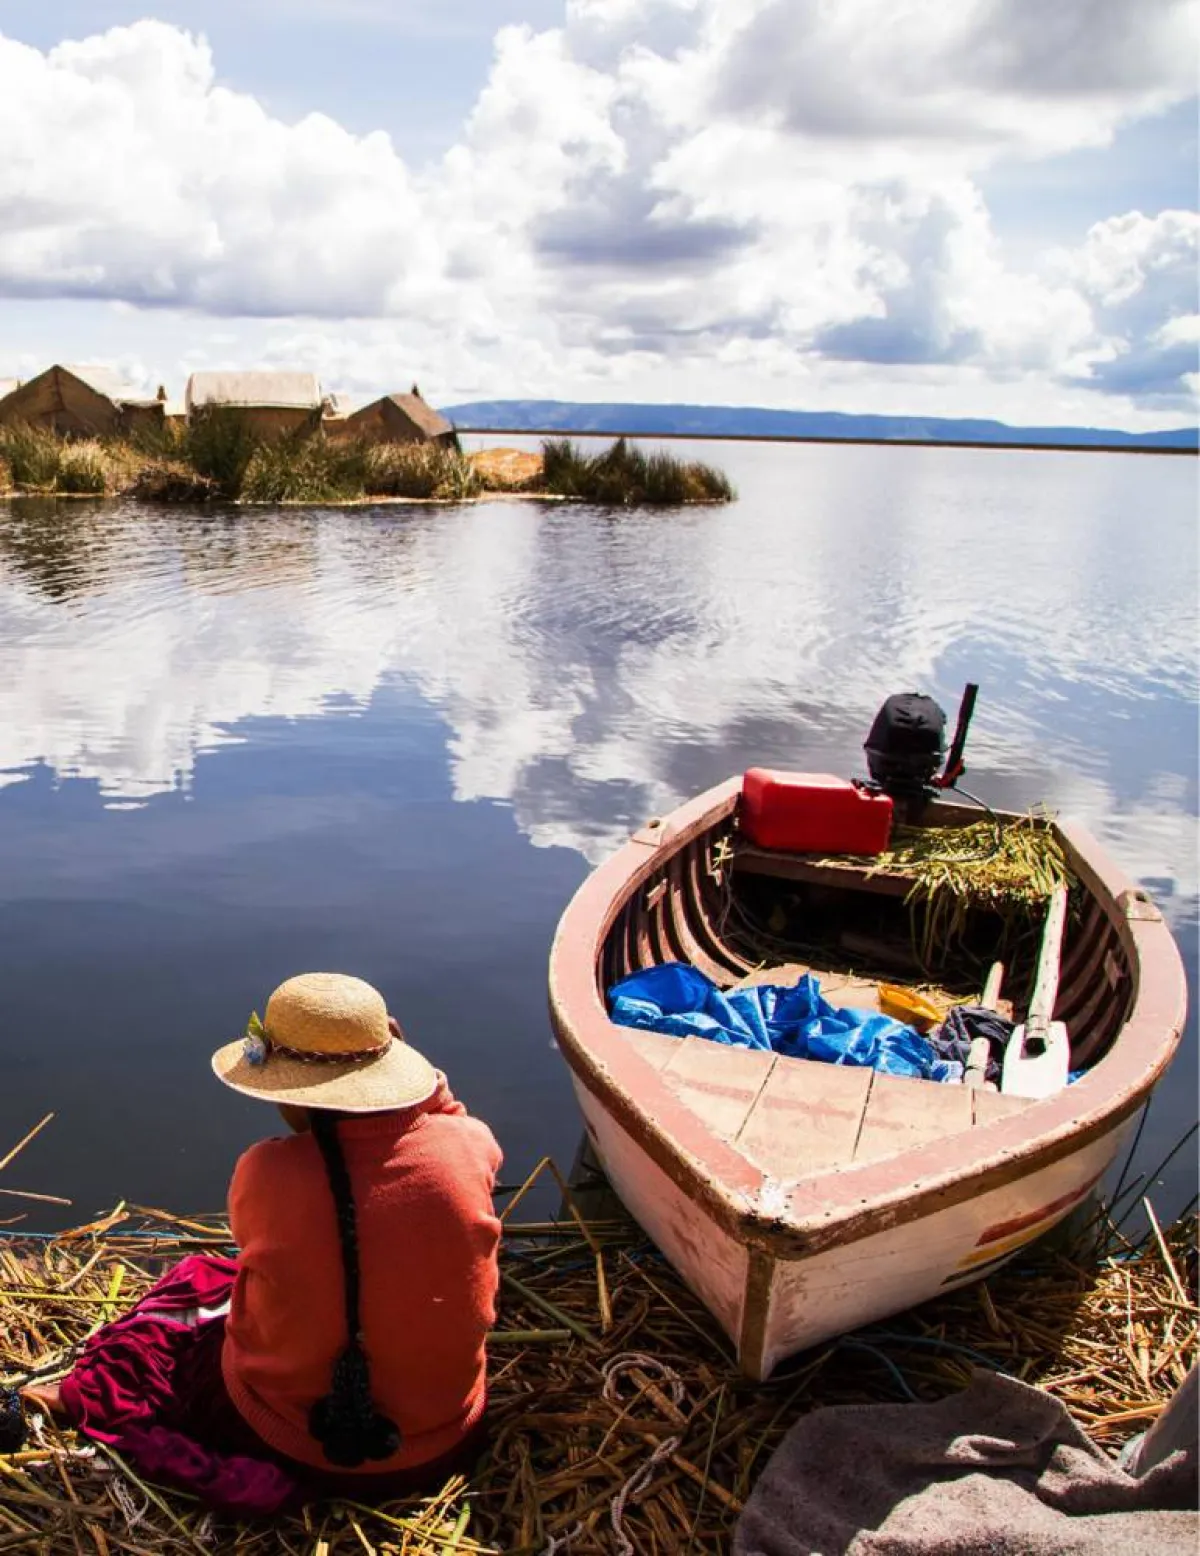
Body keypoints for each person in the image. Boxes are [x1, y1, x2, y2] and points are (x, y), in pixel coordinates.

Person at [24, 973, 503, 1514]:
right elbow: (449, 1125)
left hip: (288, 1444)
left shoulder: (267, 1170)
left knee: (187, 1303)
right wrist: (424, 1084)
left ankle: (69, 1397)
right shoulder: (469, 1145)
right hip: (443, 1443)